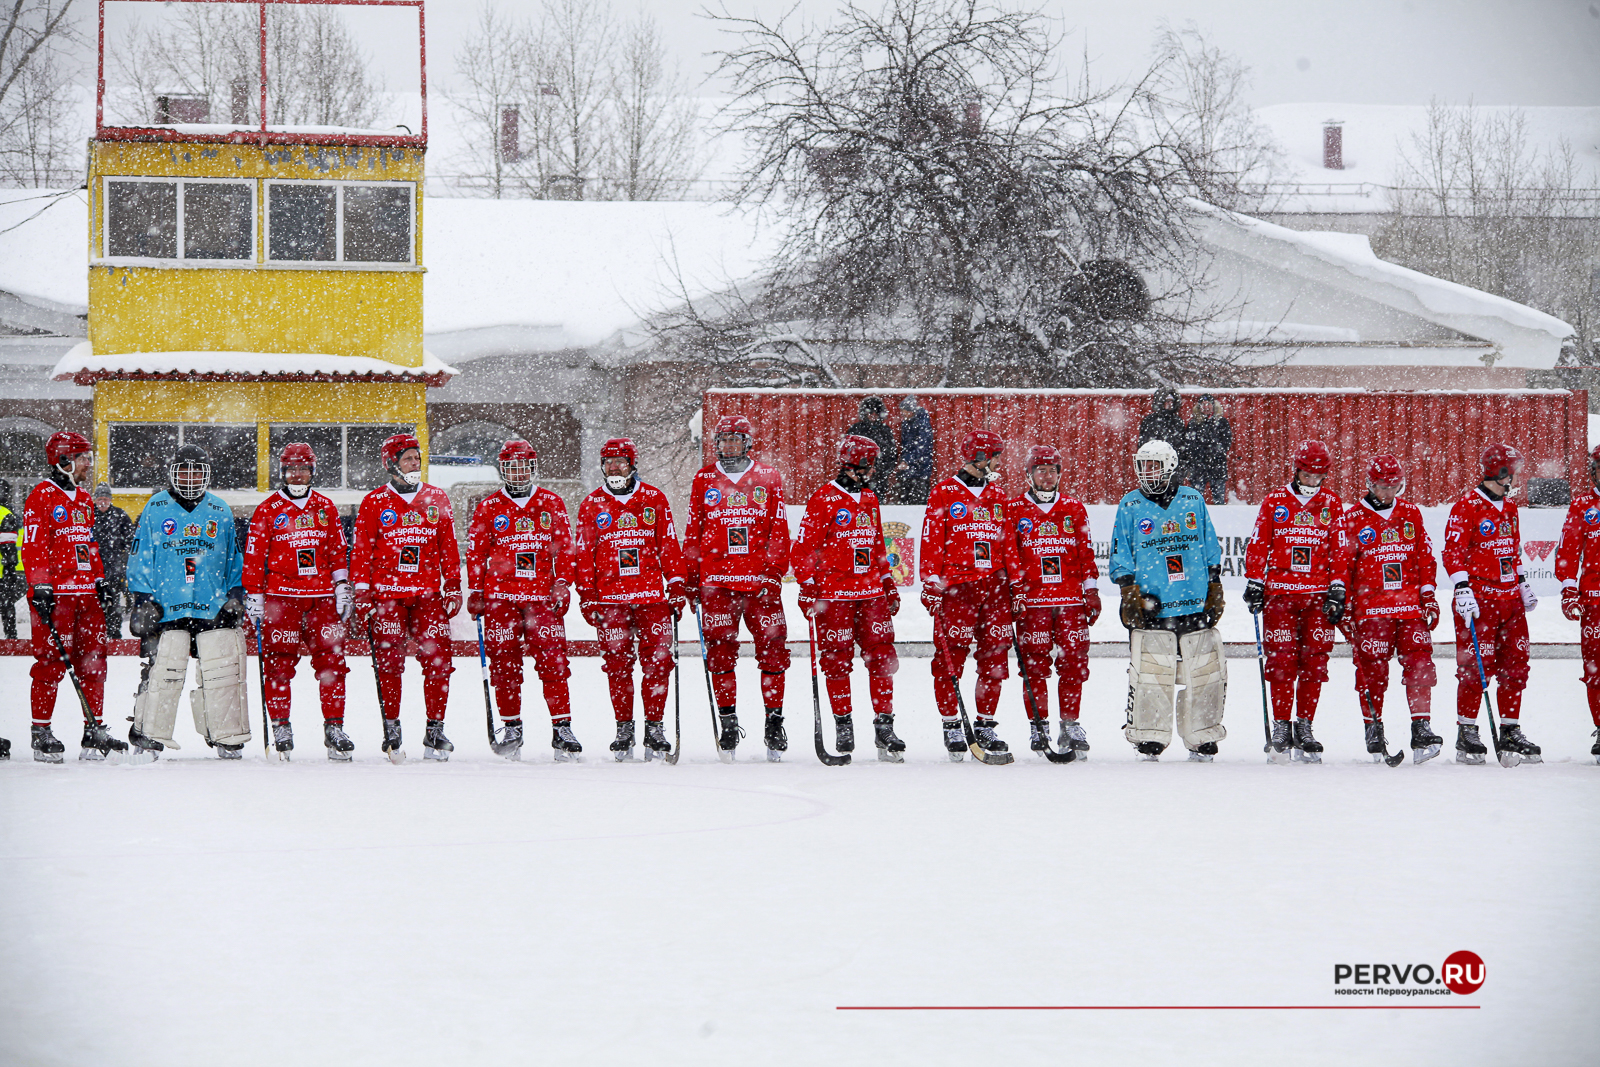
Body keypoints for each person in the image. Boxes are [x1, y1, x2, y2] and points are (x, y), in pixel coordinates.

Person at [125, 444, 248, 759]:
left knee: (222, 672)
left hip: (210, 603)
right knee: (162, 670)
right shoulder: (156, 506)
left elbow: (234, 560)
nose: (190, 476)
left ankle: (226, 736)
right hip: (167, 605)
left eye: (196, 470)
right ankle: (147, 733)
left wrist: (235, 595)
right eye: (183, 470)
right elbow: (141, 557)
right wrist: (142, 600)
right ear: (172, 472)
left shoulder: (220, 510)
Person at [1109, 439, 1226, 761]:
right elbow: (1121, 549)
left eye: (1155, 466)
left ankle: (1202, 735)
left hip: (1192, 598)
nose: (1148, 472)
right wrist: (1127, 589)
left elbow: (1208, 542)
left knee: (1203, 673)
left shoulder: (1193, 499)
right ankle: (1149, 735)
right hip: (1152, 602)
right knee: (1151, 673)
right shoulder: (1130, 505)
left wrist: (1214, 584)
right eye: (1143, 466)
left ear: (1171, 466)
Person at [683, 414, 791, 760]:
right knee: (720, 653)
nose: (728, 447)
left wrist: (774, 573)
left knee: (773, 651)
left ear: (747, 442)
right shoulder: (704, 479)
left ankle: (774, 721)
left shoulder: (768, 477)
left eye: (734, 440)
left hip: (758, 582)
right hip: (717, 583)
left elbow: (779, 529)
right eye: (723, 440)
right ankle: (728, 721)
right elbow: (694, 532)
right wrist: (690, 578)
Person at [465, 439, 580, 762]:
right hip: (501, 597)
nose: (518, 472)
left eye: (523, 466)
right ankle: (512, 726)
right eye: (511, 466)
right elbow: (476, 552)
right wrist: (475, 590)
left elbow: (565, 548)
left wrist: (562, 583)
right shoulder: (489, 507)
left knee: (554, 663)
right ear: (502, 469)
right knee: (504, 665)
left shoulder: (551, 503)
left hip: (540, 597)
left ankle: (562, 727)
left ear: (533, 467)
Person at [350, 433, 462, 761]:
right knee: (388, 663)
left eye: (417, 458)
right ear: (392, 464)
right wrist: (362, 594)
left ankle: (435, 729)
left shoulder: (436, 498)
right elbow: (361, 553)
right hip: (388, 596)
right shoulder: (375, 502)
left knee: (439, 661)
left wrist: (453, 584)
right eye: (408, 458)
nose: (415, 463)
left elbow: (448, 546)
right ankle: (392, 726)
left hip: (427, 594)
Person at [574, 438, 686, 761]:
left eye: (620, 461)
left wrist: (676, 586)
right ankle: (624, 728)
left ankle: (654, 726)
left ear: (632, 463)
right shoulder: (592, 504)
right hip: (610, 600)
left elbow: (668, 546)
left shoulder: (654, 499)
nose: (614, 467)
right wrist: (587, 597)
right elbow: (584, 556)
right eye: (608, 462)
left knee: (659, 663)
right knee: (617, 666)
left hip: (651, 597)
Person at [793, 435, 903, 760]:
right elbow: (802, 549)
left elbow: (878, 548)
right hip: (835, 596)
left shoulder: (870, 499)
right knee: (837, 660)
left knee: (882, 658)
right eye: (867, 466)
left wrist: (888, 582)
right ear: (852, 465)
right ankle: (844, 724)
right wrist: (807, 586)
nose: (871, 472)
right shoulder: (824, 499)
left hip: (871, 595)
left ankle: (885, 725)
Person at [243, 442, 354, 761]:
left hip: (321, 599)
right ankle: (281, 726)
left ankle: (334, 727)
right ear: (283, 472)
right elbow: (254, 557)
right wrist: (254, 594)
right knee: (278, 663)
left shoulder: (325, 507)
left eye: (304, 468)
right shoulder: (268, 509)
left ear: (312, 471)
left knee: (332, 663)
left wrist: (342, 585)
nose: (298, 474)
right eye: (292, 469)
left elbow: (336, 550)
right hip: (282, 599)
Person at [1242, 440, 1348, 763]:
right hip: (1281, 594)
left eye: (1318, 476)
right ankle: (1281, 725)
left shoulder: (1331, 503)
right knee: (1282, 662)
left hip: (1317, 596)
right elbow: (1260, 542)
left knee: (1315, 663)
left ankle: (1305, 724)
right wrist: (1255, 581)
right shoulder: (1275, 501)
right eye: (1307, 474)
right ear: (1296, 470)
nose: (1312, 481)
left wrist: (1338, 587)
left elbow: (1338, 548)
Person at [21, 432, 125, 762]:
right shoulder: (41, 496)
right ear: (63, 461)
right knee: (50, 664)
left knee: (95, 663)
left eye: (88, 458)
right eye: (83, 459)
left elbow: (88, 545)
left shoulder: (83, 499)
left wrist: (100, 580)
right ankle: (41, 732)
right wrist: (40, 585)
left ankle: (92, 731)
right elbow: (33, 545)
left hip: (86, 596)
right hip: (56, 597)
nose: (88, 465)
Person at [1341, 455, 1444, 764]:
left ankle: (1421, 727)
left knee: (1421, 662)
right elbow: (1343, 567)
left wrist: (1429, 597)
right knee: (1372, 670)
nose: (1389, 493)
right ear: (1370, 485)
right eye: (1383, 487)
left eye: (1394, 486)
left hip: (1410, 607)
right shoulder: (1354, 518)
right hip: (1371, 609)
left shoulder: (1411, 513)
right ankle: (1373, 727)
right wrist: (1345, 610)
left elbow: (1424, 558)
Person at [1443, 444, 1540, 765]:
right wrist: (1461, 587)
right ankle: (1467, 731)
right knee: (1476, 668)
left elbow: (1512, 550)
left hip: (1510, 599)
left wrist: (1523, 582)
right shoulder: (1467, 506)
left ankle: (1510, 728)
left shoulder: (1510, 509)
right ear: (1498, 472)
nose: (1513, 477)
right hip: (1479, 599)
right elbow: (1452, 552)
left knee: (1516, 665)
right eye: (1510, 471)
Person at [921, 429, 1013, 760]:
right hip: (957, 589)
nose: (998, 463)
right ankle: (951, 725)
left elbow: (1009, 544)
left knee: (994, 658)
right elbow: (931, 539)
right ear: (979, 458)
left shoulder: (999, 495)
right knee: (950, 659)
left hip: (995, 588)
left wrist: (1013, 583)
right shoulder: (944, 493)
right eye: (994, 457)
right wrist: (931, 581)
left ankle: (986, 725)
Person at [1004, 445, 1101, 757]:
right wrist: (1016, 590)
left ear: (1060, 474)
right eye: (1041, 470)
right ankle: (1039, 724)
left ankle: (1070, 723)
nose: (1047, 476)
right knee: (1034, 665)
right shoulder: (1015, 508)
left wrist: (1091, 590)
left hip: (1070, 599)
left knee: (1074, 663)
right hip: (1033, 603)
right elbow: (1011, 554)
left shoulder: (1074, 508)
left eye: (1053, 470)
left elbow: (1085, 553)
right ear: (1030, 475)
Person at [1554, 443, 1600, 764]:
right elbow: (1568, 552)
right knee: (1596, 669)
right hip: (1594, 601)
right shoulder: (1583, 506)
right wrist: (1570, 592)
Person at [90, 483, 135, 639]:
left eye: (106, 499)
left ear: (110, 500)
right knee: (94, 604)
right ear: (95, 500)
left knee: (113, 603)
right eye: (100, 499)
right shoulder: (89, 515)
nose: (103, 502)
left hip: (113, 567)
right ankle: (96, 635)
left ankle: (114, 634)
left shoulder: (119, 515)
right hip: (93, 568)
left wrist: (124, 561)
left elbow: (130, 540)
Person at [844, 396, 899, 501]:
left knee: (876, 507)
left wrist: (882, 471)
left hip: (879, 478)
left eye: (876, 413)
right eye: (870, 413)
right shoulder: (856, 429)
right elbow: (847, 452)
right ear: (865, 413)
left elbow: (892, 454)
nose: (873, 416)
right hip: (858, 477)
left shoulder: (885, 431)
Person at [1183, 394, 1232, 504]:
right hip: (1198, 468)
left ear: (1213, 406)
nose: (1206, 407)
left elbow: (1226, 443)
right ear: (1199, 407)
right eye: (1203, 404)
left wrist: (1214, 452)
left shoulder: (1222, 422)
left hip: (1217, 467)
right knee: (1195, 500)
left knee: (1219, 500)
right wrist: (1198, 456)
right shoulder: (1193, 423)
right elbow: (1189, 444)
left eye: (1209, 404)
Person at [895, 395, 934, 505]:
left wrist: (907, 461)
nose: (903, 414)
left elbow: (922, 447)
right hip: (913, 468)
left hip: (920, 469)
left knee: (917, 500)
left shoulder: (921, 424)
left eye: (904, 412)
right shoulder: (908, 423)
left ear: (911, 411)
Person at [0, 477, 24, 639]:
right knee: (7, 605)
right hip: (7, 571)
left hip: (4, 571)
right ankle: (11, 638)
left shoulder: (6, 514)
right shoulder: (9, 514)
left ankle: (11, 637)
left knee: (7, 604)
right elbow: (9, 547)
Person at [1137, 387, 1186, 454]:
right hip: (1155, 458)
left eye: (1172, 401)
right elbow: (1144, 442)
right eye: (1167, 401)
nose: (1170, 404)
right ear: (1161, 402)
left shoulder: (1177, 421)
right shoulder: (1150, 420)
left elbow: (1181, 444)